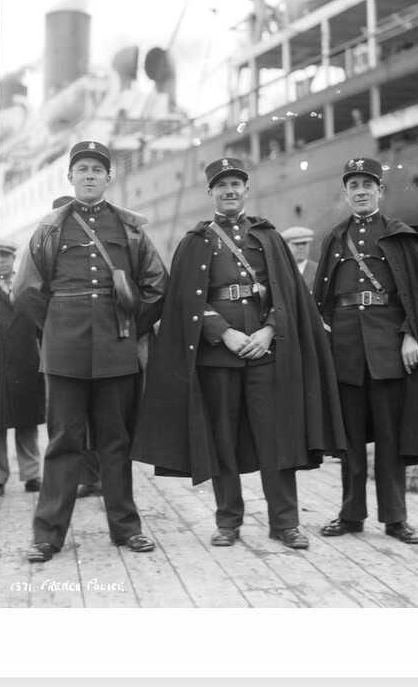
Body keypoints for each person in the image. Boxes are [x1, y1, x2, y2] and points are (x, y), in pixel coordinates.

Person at [132, 157, 348, 549]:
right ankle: (228, 521)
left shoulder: (268, 237)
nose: (229, 190)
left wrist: (269, 331)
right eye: (221, 185)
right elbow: (183, 301)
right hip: (218, 356)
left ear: (246, 190)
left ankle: (285, 523)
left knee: (278, 440)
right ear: (209, 192)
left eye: (235, 183)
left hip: (266, 352)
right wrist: (224, 333)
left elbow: (289, 296)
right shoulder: (196, 241)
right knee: (222, 440)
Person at [13, 140, 169, 562]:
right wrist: (59, 324)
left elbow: (157, 285)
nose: (88, 175)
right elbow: (25, 290)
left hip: (116, 350)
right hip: (64, 352)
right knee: (63, 442)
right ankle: (48, 535)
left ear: (108, 178)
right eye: (81, 168)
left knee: (115, 440)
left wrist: (128, 328)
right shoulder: (49, 228)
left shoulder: (130, 229)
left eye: (97, 170)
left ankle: (126, 528)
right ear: (70, 176)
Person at [313, 158, 418, 544]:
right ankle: (351, 515)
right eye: (353, 186)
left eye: (367, 185)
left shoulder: (399, 236)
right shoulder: (334, 238)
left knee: (391, 437)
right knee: (350, 439)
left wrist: (411, 335)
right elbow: (322, 300)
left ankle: (395, 518)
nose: (360, 191)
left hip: (389, 349)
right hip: (347, 351)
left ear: (380, 191)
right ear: (346, 193)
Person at [51, 195, 102, 499]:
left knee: (97, 419)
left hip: (98, 346)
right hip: (64, 348)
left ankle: (94, 477)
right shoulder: (50, 244)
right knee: (71, 422)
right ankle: (84, 477)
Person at [0, 239, 44, 497]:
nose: (1, 261)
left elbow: (41, 324)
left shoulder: (26, 287)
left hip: (25, 364)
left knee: (27, 422)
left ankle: (31, 475)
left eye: (5, 256)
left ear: (14, 259)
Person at [281, 225, 318, 292]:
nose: (301, 247)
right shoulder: (279, 272)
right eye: (297, 244)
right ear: (285, 246)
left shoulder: (318, 271)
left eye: (304, 243)